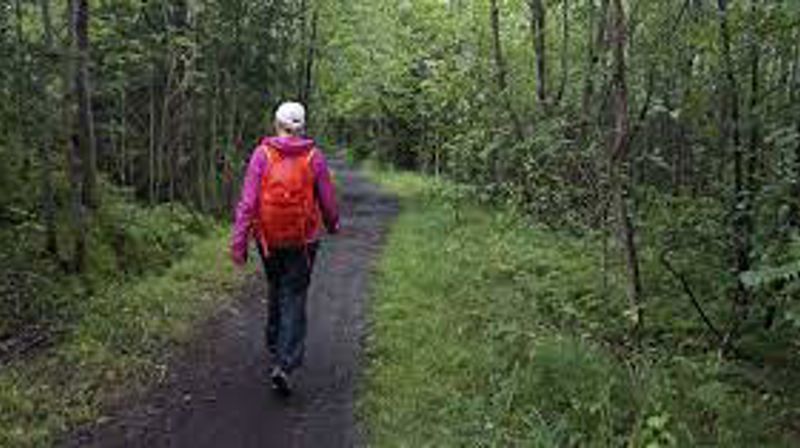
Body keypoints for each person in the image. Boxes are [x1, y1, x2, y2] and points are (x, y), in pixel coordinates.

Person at [231, 101, 339, 395]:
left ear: (276, 124)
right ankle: (285, 361)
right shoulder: (314, 157)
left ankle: (274, 341)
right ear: (301, 126)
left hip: (268, 238)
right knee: (295, 293)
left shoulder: (261, 154)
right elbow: (327, 199)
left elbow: (248, 202)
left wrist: (239, 241)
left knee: (277, 286)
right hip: (304, 241)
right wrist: (333, 224)